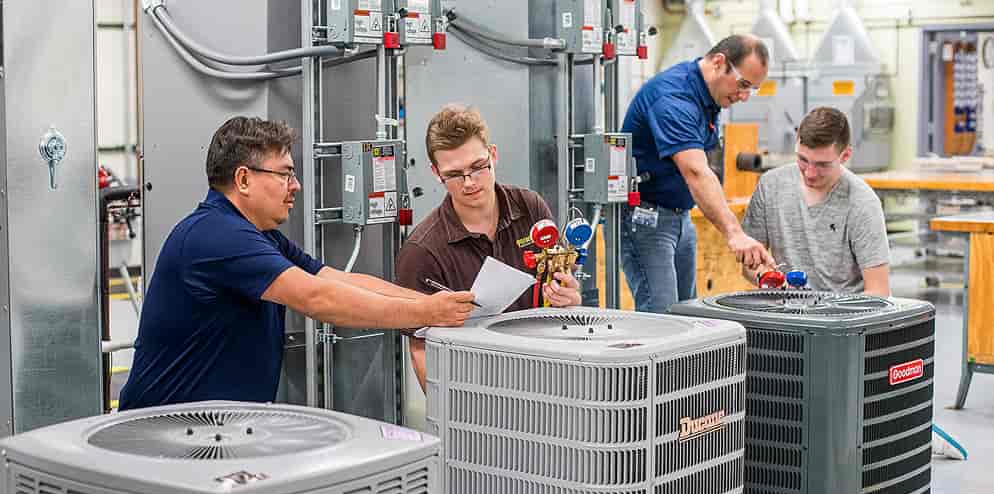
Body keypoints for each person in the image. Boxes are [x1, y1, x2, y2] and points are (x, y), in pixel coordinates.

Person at [119, 117, 476, 410]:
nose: (296, 186)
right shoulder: (215, 234)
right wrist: (426, 313)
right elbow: (317, 298)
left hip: (216, 429)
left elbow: (333, 280)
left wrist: (438, 305)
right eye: (285, 174)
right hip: (165, 432)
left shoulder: (260, 236)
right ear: (243, 179)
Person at [395, 104, 582, 391]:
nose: (469, 182)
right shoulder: (422, 251)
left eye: (478, 167)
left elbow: (560, 283)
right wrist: (447, 409)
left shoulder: (531, 208)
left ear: (493, 155)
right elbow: (420, 349)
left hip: (546, 374)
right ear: (436, 173)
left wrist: (568, 297)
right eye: (454, 174)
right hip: (475, 387)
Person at [621, 34, 776, 313]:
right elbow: (695, 171)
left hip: (680, 216)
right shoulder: (673, 97)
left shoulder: (708, 95)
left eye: (751, 89)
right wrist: (734, 233)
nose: (744, 96)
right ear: (718, 62)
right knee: (664, 317)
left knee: (688, 314)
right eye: (743, 84)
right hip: (646, 220)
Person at [741, 107, 891, 296]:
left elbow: (878, 291)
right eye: (803, 159)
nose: (810, 173)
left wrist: (829, 311)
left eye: (822, 165)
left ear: (845, 156)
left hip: (843, 312)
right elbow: (751, 265)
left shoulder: (862, 203)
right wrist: (769, 280)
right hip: (786, 308)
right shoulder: (770, 185)